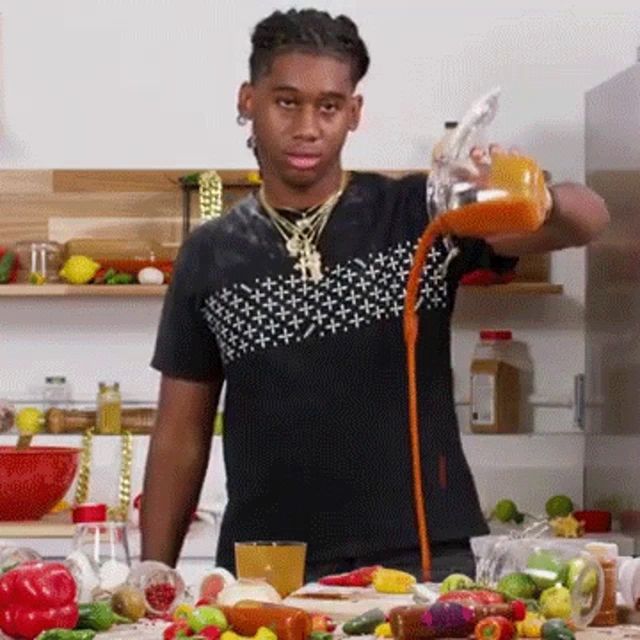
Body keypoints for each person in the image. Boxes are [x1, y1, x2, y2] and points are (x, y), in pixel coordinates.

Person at [141, 8, 609, 581]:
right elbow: (180, 432)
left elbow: (588, 219)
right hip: (269, 565)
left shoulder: (421, 212)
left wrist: (521, 192)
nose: (308, 126)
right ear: (248, 100)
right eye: (287, 102)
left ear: (353, 112)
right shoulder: (209, 254)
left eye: (329, 106)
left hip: (422, 556)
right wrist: (153, 569)